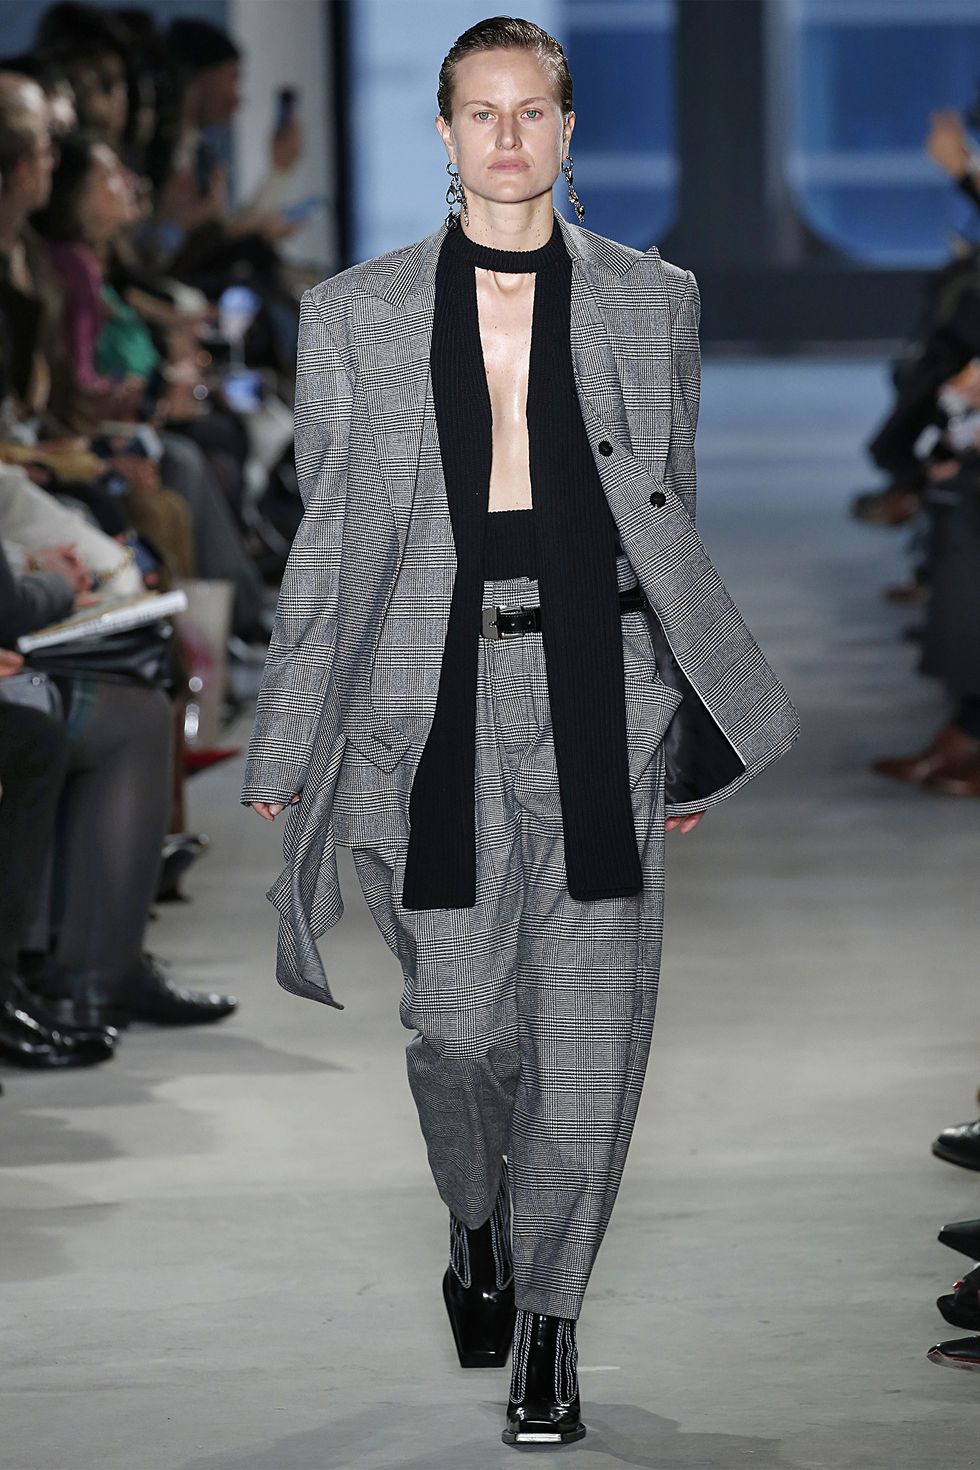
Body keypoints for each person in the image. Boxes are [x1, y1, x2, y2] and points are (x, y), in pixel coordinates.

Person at [242, 16, 799, 1448]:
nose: (507, 137)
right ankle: (477, 1212)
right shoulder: (355, 313)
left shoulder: (652, 301)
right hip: (421, 700)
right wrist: (290, 738)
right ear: (443, 132)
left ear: (565, 127)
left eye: (531, 111)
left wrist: (691, 723)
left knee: (593, 1026)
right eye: (480, 113)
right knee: (459, 1029)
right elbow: (329, 538)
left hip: (601, 685)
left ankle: (550, 1322)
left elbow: (668, 517)